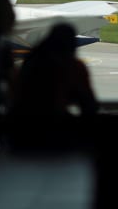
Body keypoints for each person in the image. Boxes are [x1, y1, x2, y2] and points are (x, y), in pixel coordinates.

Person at [8, 22, 98, 150]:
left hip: (21, 128)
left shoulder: (30, 62)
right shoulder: (74, 67)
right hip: (55, 129)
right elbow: (89, 105)